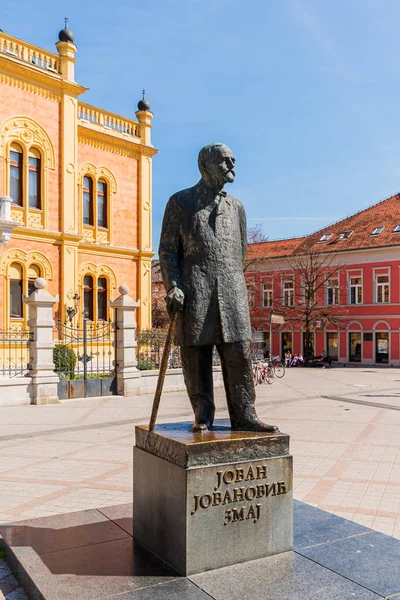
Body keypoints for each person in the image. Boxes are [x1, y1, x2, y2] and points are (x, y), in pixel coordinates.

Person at [159, 143, 279, 434]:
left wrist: (227, 275)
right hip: (194, 291)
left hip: (231, 289)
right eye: (225, 161)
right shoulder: (181, 202)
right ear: (206, 165)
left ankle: (245, 415)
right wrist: (174, 285)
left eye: (233, 161)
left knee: (239, 353)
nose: (231, 166)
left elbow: (240, 250)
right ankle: (203, 415)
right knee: (195, 355)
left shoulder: (236, 207)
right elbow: (167, 250)